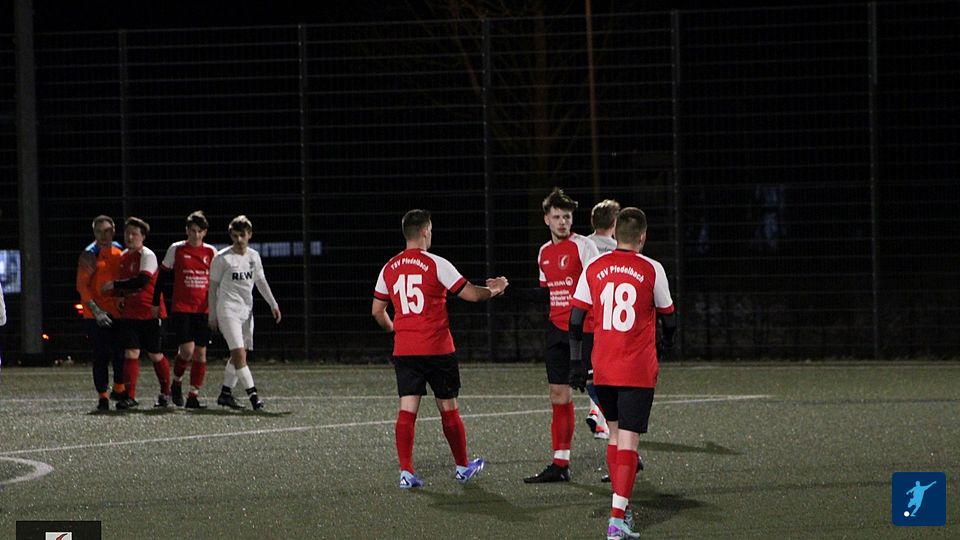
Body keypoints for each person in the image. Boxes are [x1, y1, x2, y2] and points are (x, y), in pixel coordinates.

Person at [372, 209, 508, 489]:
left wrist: (395, 329)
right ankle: (462, 467)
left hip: (406, 350)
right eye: (430, 230)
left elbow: (377, 310)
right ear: (425, 231)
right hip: (437, 348)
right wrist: (496, 289)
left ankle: (406, 472)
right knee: (448, 408)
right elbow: (471, 294)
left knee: (407, 410)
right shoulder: (436, 263)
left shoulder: (389, 267)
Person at [568, 207, 676, 539]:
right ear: (642, 236)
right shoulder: (652, 268)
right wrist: (666, 342)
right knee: (628, 440)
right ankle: (617, 519)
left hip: (603, 366)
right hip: (637, 368)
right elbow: (670, 317)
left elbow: (575, 320)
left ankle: (621, 506)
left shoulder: (595, 266)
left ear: (615, 234)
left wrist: (576, 362)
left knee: (615, 436)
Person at [524, 188, 600, 483]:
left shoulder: (584, 247)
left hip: (586, 330)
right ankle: (560, 463)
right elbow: (547, 292)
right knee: (559, 394)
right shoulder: (543, 252)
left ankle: (628, 452)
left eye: (566, 217)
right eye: (556, 217)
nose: (562, 222)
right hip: (557, 331)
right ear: (547, 219)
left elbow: (597, 286)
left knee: (600, 393)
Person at [208, 215, 281, 411]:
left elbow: (261, 282)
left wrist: (273, 304)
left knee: (241, 354)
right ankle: (253, 396)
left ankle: (225, 394)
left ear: (250, 234)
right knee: (239, 354)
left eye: (242, 235)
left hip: (246, 311)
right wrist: (212, 316)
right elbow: (212, 288)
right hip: (227, 310)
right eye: (235, 235)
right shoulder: (222, 258)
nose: (239, 239)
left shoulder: (253, 257)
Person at [102, 217, 172, 410]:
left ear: (143, 237)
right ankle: (129, 396)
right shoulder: (123, 257)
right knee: (131, 352)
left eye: (134, 234)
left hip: (151, 312)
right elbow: (125, 283)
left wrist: (114, 285)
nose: (130, 237)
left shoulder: (147, 255)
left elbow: (141, 282)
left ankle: (166, 392)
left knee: (155, 354)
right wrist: (120, 295)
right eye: (127, 233)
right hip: (131, 313)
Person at [153, 211, 218, 409]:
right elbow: (162, 276)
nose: (196, 235)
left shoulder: (211, 252)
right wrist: (155, 302)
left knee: (201, 353)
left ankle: (193, 396)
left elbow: (216, 282)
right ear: (187, 231)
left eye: (199, 231)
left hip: (204, 309)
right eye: (192, 231)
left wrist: (217, 307)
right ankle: (177, 382)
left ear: (205, 232)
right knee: (187, 351)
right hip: (182, 308)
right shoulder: (177, 249)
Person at [76, 215, 126, 410]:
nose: (103, 235)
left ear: (113, 231)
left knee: (120, 353)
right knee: (101, 355)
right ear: (94, 233)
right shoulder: (89, 254)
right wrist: (96, 312)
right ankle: (103, 396)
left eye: (107, 231)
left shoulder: (120, 250)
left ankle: (120, 389)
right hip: (95, 313)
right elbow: (82, 286)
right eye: (99, 231)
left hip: (117, 311)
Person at [584, 199, 621, 440]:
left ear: (592, 221)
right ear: (615, 223)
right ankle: (604, 418)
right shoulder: (621, 248)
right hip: (612, 318)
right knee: (610, 371)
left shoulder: (583, 244)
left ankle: (596, 412)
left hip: (586, 316)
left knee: (592, 368)